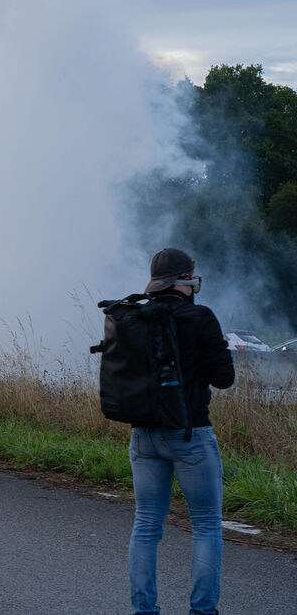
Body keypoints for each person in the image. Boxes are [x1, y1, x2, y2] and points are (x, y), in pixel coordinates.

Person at [127, 248, 234, 615]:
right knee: (206, 525)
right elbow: (224, 379)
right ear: (184, 279)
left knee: (146, 525)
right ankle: (202, 610)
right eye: (193, 277)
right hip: (190, 435)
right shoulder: (200, 317)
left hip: (143, 436)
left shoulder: (134, 316)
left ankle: (144, 610)